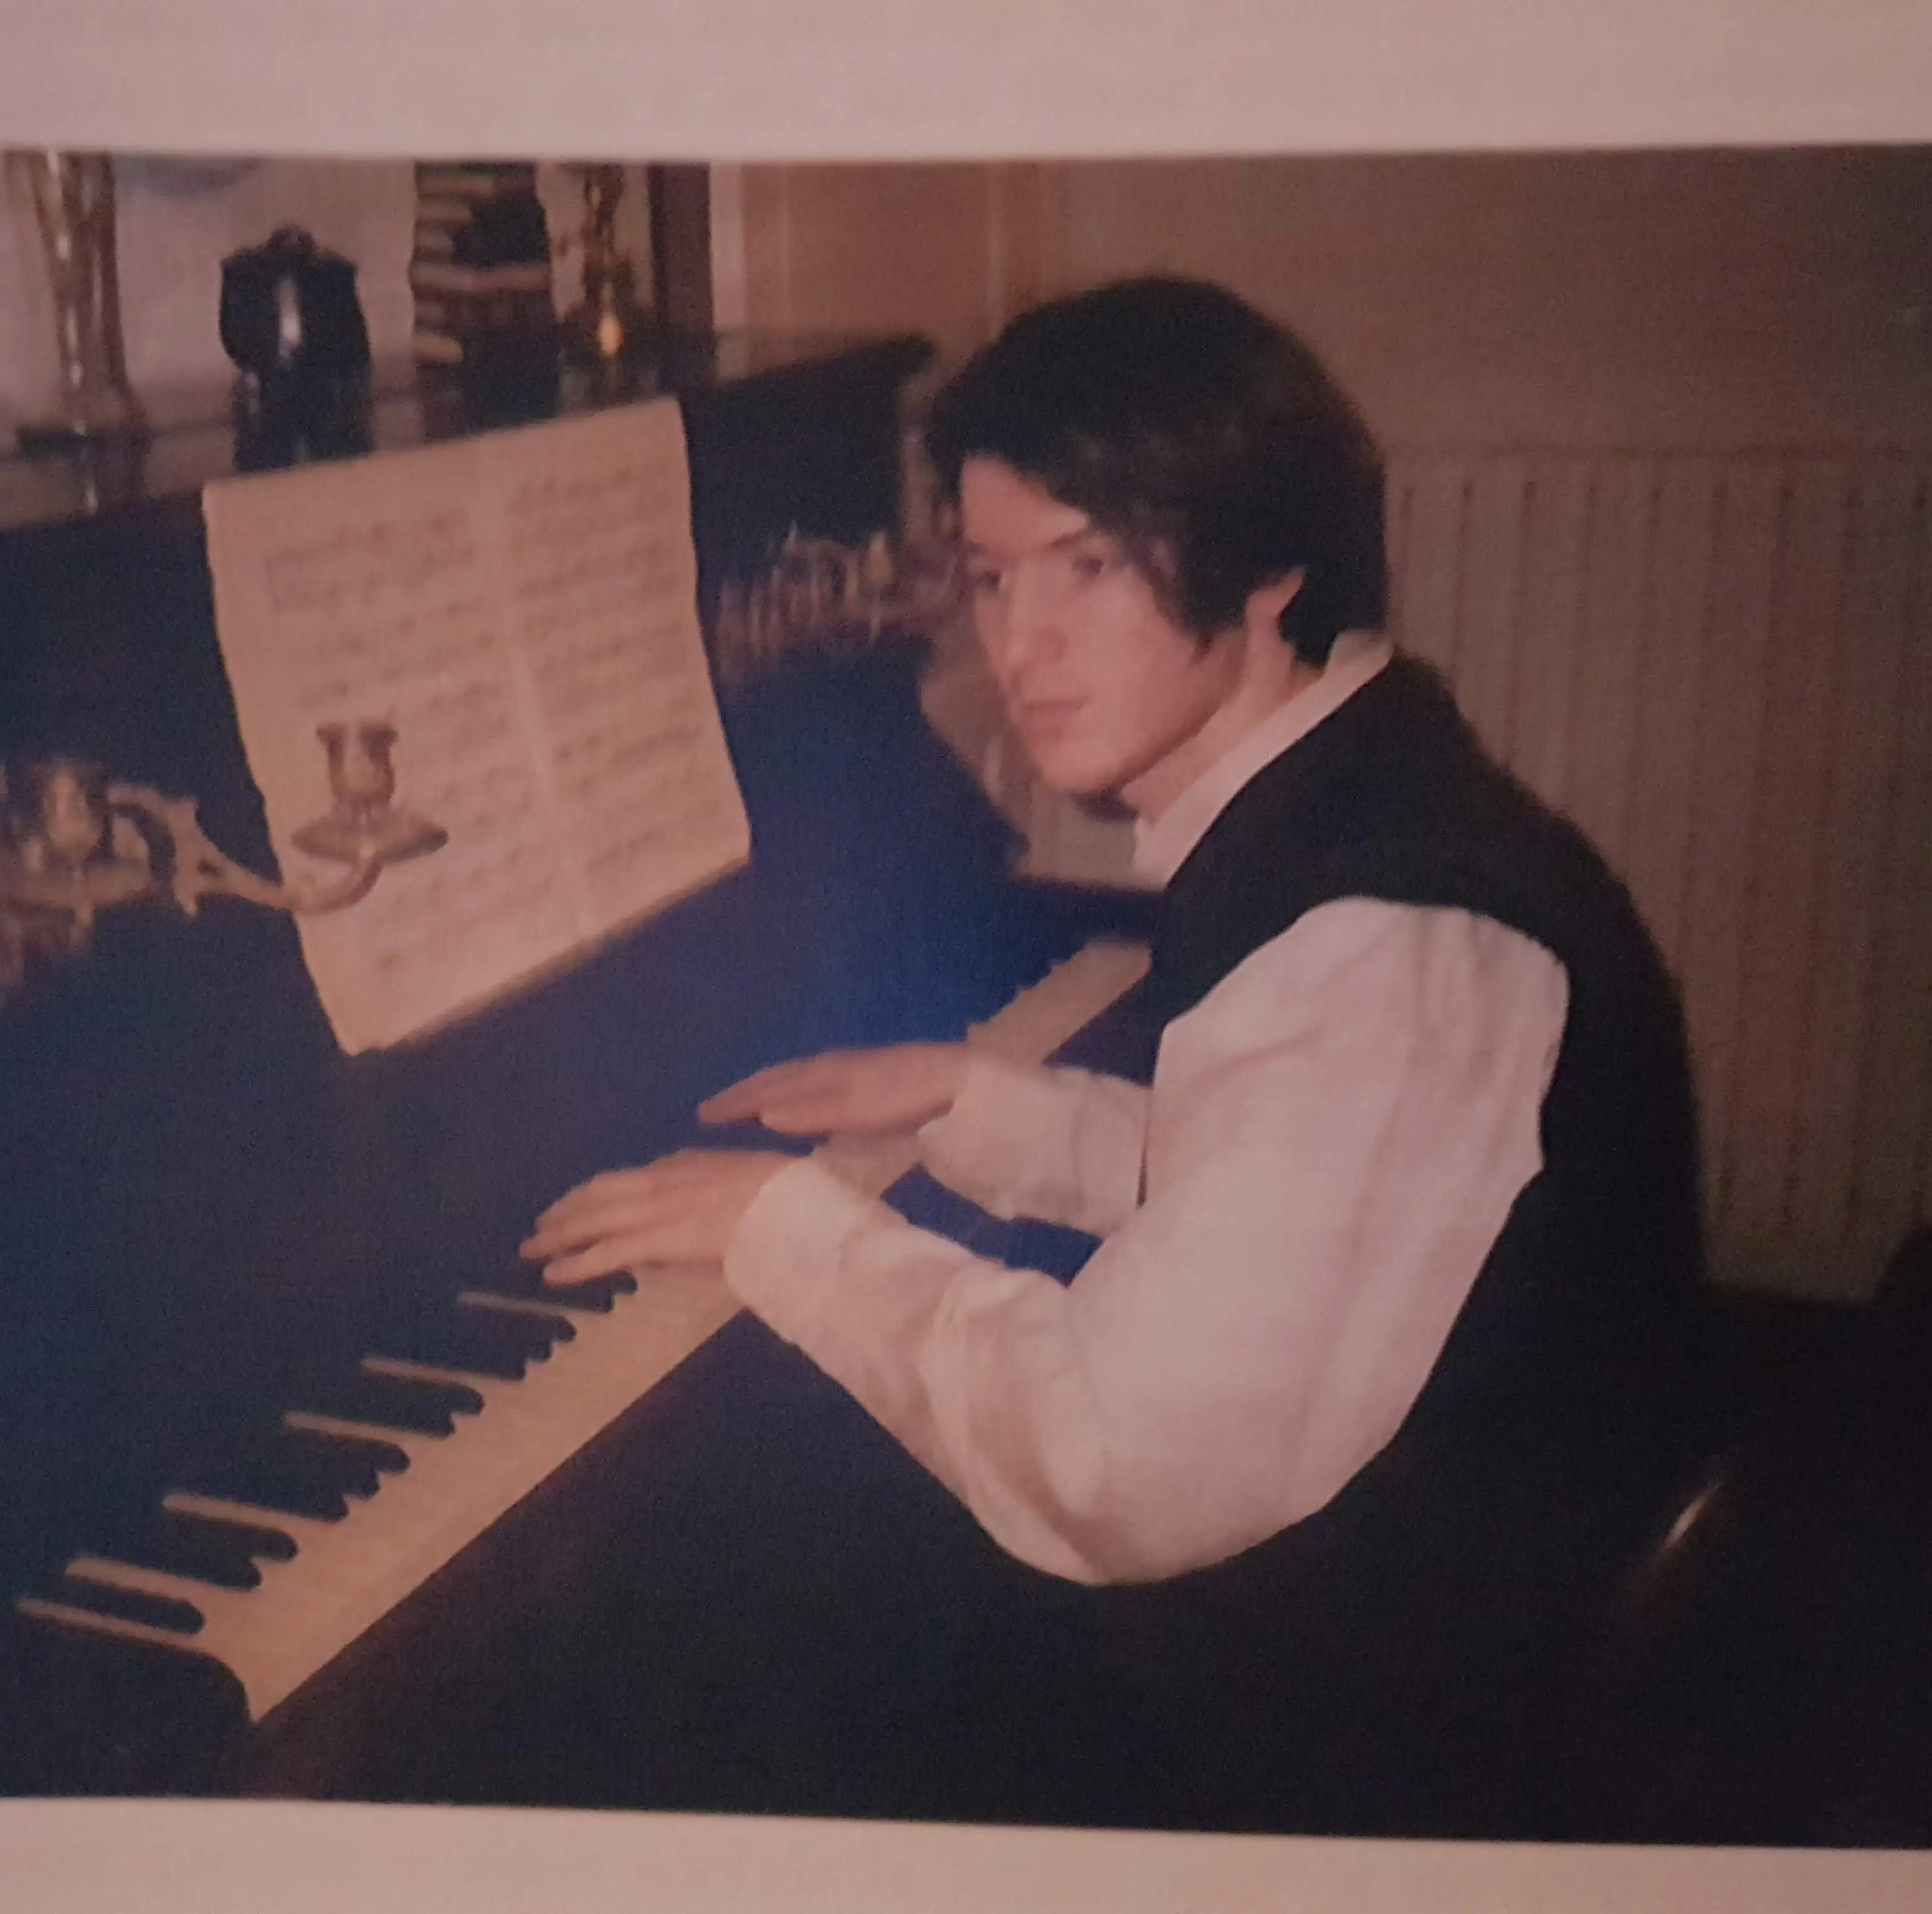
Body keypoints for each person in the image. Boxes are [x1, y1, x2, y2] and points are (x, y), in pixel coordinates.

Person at [522, 277, 1713, 1830]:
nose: (1022, 647)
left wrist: (783, 1230)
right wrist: (979, 1106)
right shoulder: (1352, 784)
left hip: (1387, 1721)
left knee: (758, 1633)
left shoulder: (1388, 944)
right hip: (1424, 1550)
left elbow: (1106, 1462)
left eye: (1087, 567)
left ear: (1272, 561)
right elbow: (1292, 1183)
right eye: (996, 577)